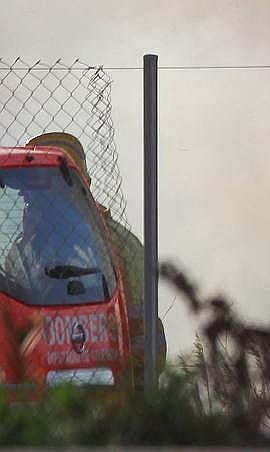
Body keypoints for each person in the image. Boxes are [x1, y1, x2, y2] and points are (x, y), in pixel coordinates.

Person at [25, 132, 165, 378]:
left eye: (35, 194)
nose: (29, 203)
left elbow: (147, 337)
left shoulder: (118, 243)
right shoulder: (26, 252)